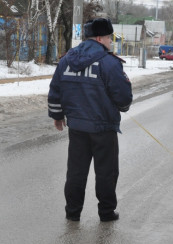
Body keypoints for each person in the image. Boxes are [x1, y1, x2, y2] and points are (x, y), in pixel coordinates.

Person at [48, 18, 133, 222]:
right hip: (103, 127)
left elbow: (55, 90)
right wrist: (122, 105)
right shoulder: (109, 63)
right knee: (106, 172)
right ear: (99, 38)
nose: (110, 42)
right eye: (109, 38)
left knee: (76, 172)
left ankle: (72, 212)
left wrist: (58, 116)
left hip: (76, 126)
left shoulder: (67, 59)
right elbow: (122, 98)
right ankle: (106, 212)